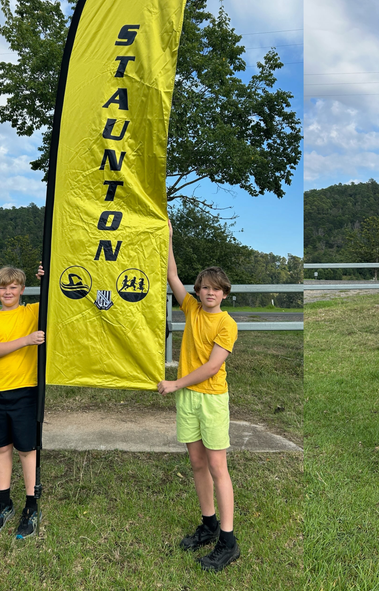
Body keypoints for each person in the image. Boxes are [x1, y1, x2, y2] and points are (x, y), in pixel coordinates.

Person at [157, 222, 240, 571]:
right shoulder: (190, 308)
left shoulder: (227, 324)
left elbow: (210, 367)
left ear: (224, 294)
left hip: (209, 397)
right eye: (204, 288)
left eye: (215, 289)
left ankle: (228, 540)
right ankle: (207, 524)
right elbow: (171, 274)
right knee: (196, 463)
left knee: (218, 466)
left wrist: (175, 383)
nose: (209, 293)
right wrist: (169, 236)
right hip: (187, 399)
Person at [0, 266, 45, 539]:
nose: (8, 292)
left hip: (24, 392)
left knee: (26, 450)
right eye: (2, 287)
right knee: (1, 448)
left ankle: (31, 506)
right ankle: (4, 502)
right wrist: (27, 340)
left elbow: (58, 299)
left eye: (13, 287)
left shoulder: (32, 312)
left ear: (22, 289)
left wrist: (47, 277)